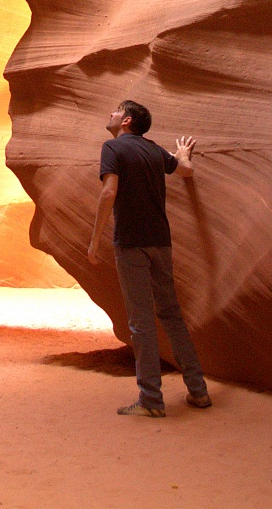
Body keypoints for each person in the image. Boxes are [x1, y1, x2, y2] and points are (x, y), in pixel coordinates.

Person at [88, 98, 211, 417]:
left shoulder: (112, 148)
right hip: (161, 243)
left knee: (141, 322)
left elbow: (108, 192)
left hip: (131, 244)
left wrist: (94, 240)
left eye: (116, 110)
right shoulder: (154, 150)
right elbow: (185, 170)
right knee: (171, 315)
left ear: (126, 120)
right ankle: (198, 391)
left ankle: (151, 400)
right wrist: (183, 154)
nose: (111, 114)